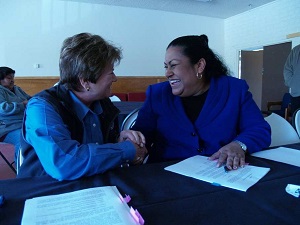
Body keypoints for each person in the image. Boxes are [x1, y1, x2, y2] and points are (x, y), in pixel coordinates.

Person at [17, 33, 148, 180]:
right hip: (45, 192)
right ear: (85, 81)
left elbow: (98, 149)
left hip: (92, 188)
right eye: (111, 72)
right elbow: (63, 163)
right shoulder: (42, 107)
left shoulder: (103, 103)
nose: (115, 78)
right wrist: (126, 150)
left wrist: (119, 140)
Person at [132, 35, 271, 171]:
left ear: (199, 66)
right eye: (166, 67)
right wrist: (133, 143)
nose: (167, 73)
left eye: (173, 65)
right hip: (167, 174)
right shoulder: (157, 94)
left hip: (218, 173)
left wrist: (239, 145)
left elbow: (259, 129)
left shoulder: (234, 90)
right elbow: (142, 135)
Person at [0, 66, 31, 161]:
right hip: (7, 128)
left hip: (23, 124)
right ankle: (21, 170)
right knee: (23, 141)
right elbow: (3, 109)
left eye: (13, 78)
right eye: (9, 78)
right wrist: (22, 105)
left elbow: (29, 99)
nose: (12, 80)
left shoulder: (17, 89)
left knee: (41, 135)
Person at [283, 44, 300, 115]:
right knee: (297, 122)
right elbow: (287, 69)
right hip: (297, 94)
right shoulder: (296, 50)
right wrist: (293, 83)